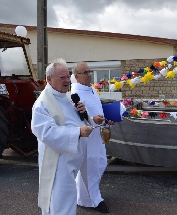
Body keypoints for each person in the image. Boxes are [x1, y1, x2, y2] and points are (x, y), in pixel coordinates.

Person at [31, 58, 93, 215]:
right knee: (59, 204)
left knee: (68, 201)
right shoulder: (42, 104)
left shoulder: (68, 97)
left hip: (71, 162)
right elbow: (46, 133)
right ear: (49, 79)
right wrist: (78, 132)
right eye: (62, 77)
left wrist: (85, 114)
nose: (67, 81)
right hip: (58, 165)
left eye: (68, 76)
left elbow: (75, 120)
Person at [71, 62, 110, 213]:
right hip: (87, 136)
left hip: (98, 135)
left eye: (89, 71)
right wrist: (93, 119)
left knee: (100, 163)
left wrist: (106, 118)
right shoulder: (76, 94)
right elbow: (77, 117)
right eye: (85, 72)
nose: (89, 74)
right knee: (90, 169)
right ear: (76, 76)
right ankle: (94, 200)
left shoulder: (91, 89)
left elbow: (96, 109)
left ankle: (82, 195)